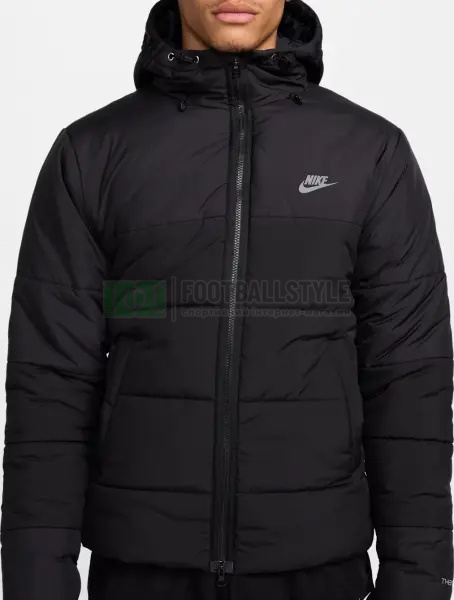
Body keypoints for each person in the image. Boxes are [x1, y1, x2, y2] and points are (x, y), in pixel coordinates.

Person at [2, 0, 453, 598]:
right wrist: (35, 580)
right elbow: (51, 381)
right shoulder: (92, 152)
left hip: (317, 570)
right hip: (142, 571)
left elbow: (410, 377)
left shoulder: (371, 152)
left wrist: (420, 580)